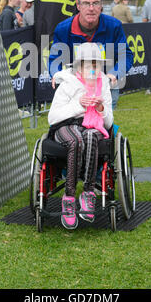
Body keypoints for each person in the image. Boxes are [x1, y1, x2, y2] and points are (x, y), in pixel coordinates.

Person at [48, 43, 113, 230]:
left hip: (93, 125)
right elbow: (53, 118)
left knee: (92, 136)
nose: (93, 70)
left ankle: (88, 193)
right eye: (88, 65)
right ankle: (68, 198)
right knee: (75, 140)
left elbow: (108, 122)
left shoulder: (104, 84)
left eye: (96, 65)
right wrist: (79, 105)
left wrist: (101, 109)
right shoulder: (67, 83)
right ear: (79, 67)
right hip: (66, 126)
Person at [49, 0, 133, 110]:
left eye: (96, 3)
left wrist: (114, 74)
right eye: (86, 3)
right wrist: (56, 74)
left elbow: (125, 55)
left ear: (101, 5)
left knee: (104, 124)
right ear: (78, 5)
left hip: (106, 84)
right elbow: (55, 59)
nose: (91, 8)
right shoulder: (63, 29)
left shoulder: (113, 25)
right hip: (75, 86)